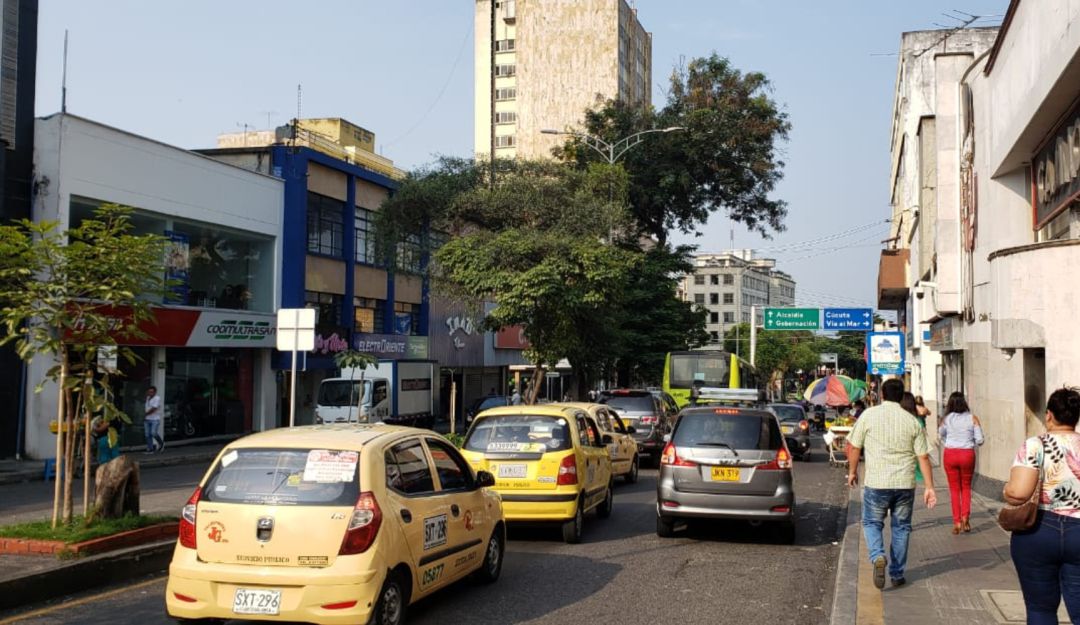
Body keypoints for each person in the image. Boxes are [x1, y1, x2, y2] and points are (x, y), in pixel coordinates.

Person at [847, 378, 937, 589]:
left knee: (871, 523)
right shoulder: (912, 421)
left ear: (882, 394)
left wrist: (852, 472)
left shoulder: (869, 415)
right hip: (905, 483)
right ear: (902, 395)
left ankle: (878, 556)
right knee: (902, 527)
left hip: (877, 482)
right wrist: (929, 486)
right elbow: (923, 457)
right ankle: (897, 573)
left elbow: (854, 447)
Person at [1004, 387, 1080, 624]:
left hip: (1039, 530)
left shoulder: (1035, 445)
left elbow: (1018, 493)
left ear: (1049, 415)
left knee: (1040, 609)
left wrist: (1006, 489)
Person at [938, 391, 984, 534]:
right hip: (967, 455)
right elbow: (980, 440)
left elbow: (941, 435)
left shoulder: (946, 419)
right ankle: (965, 518)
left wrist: (950, 442)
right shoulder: (973, 418)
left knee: (954, 489)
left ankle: (957, 522)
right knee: (966, 487)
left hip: (950, 454)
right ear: (964, 402)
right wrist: (969, 441)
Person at [144, 385, 164, 454]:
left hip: (155, 419)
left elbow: (154, 408)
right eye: (149, 392)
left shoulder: (157, 398)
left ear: (155, 392)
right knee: (147, 435)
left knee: (153, 433)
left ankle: (161, 443)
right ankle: (150, 449)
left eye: (152, 392)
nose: (150, 393)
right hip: (147, 419)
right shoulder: (147, 398)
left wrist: (146, 414)